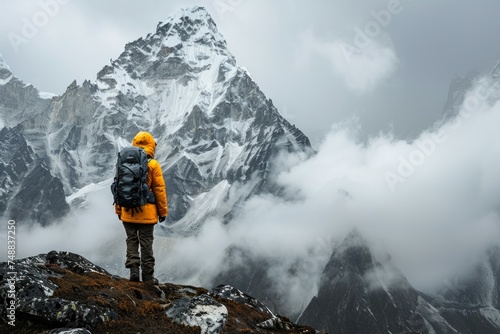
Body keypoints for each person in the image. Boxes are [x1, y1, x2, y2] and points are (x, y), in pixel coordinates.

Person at [115, 131, 168, 284]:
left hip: (127, 211)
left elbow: (118, 186)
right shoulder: (153, 165)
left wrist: (119, 210)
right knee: (146, 243)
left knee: (131, 240)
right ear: (151, 145)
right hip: (147, 212)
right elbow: (159, 190)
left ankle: (133, 271)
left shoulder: (123, 161)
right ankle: (148, 277)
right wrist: (163, 211)